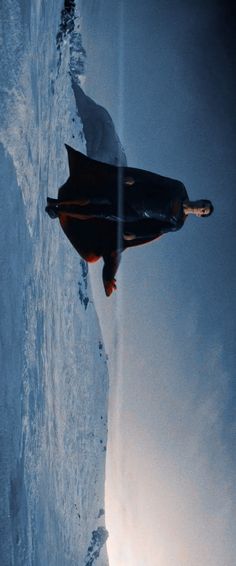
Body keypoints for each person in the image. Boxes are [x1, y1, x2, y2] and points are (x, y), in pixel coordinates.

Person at [46, 145, 214, 297]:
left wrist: (135, 235)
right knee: (95, 197)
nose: (200, 208)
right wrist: (134, 178)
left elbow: (156, 229)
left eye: (203, 211)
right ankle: (57, 203)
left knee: (98, 212)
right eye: (203, 205)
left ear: (199, 215)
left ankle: (59, 211)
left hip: (133, 213)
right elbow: (156, 180)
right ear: (200, 200)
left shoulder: (177, 223)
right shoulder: (179, 189)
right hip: (134, 194)